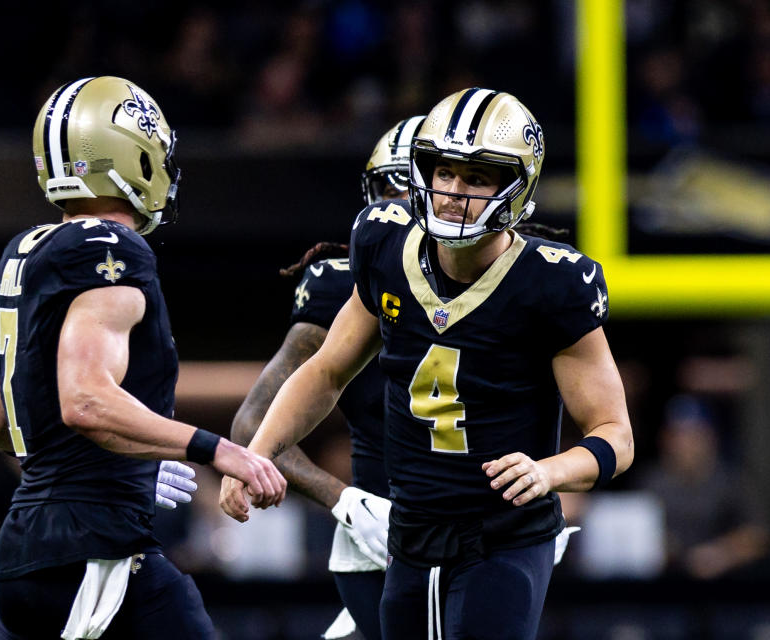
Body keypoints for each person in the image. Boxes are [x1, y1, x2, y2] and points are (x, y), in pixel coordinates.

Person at [220, 88, 634, 640]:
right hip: (409, 533)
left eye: (478, 178)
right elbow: (327, 371)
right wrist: (256, 455)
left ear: (518, 186)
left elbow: (615, 436)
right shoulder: (384, 243)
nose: (453, 194)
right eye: (444, 173)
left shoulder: (552, 284)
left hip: (502, 534)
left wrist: (547, 472)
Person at [0, 75, 286, 640]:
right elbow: (87, 401)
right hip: (92, 554)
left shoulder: (24, 252)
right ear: (134, 154)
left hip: (23, 559)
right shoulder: (113, 248)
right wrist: (219, 451)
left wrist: (121, 467)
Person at [224, 115, 425, 640]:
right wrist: (347, 502)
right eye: (388, 191)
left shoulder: (517, 277)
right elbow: (254, 425)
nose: (396, 207)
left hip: (486, 534)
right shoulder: (345, 286)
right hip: (385, 536)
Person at [638, 394, 770, 580]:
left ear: (710, 437)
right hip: (665, 586)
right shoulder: (651, 481)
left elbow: (759, 534)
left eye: (694, 435)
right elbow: (631, 532)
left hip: (726, 586)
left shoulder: (730, 480)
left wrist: (723, 553)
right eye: (678, 435)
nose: (685, 444)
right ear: (665, 439)